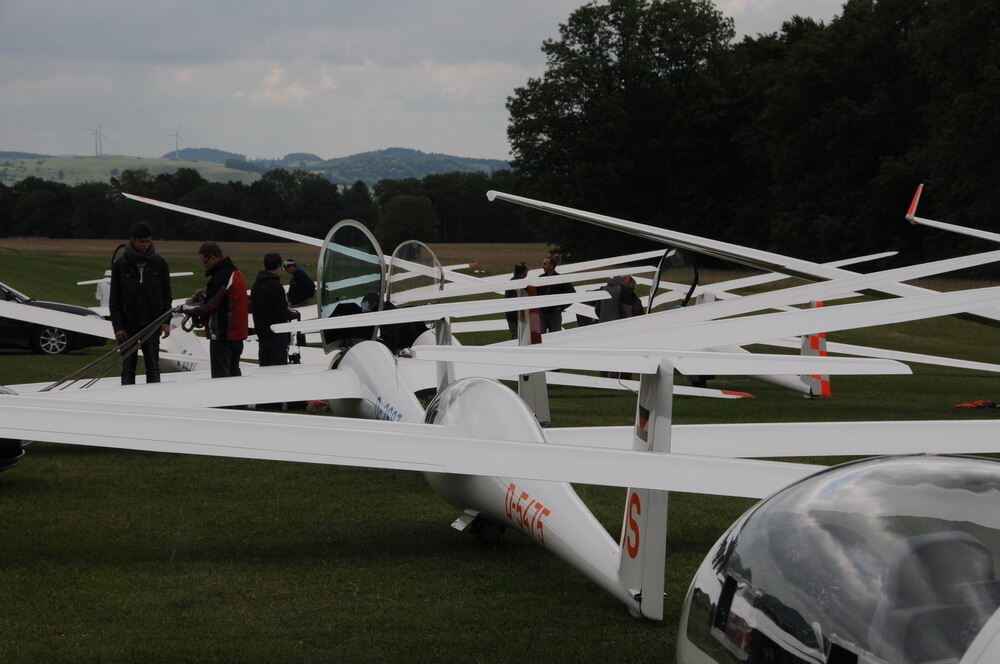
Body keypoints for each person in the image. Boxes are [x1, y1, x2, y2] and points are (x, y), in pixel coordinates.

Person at [109, 222, 172, 385]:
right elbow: (114, 298)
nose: (145, 245)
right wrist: (118, 327)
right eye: (141, 241)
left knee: (153, 367)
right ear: (133, 241)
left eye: (148, 241)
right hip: (128, 324)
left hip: (152, 323)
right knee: (128, 368)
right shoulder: (121, 264)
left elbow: (167, 295)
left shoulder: (160, 263)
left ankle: (153, 402)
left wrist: (166, 322)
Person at [180, 242, 248, 378]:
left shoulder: (220, 277)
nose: (205, 266)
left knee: (221, 378)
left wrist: (184, 308)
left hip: (223, 337)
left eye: (205, 262)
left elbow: (207, 307)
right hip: (237, 335)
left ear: (213, 258)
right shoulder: (235, 273)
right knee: (234, 374)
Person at [250, 252, 299, 366]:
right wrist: (295, 315)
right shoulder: (275, 286)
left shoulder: (256, 285)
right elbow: (282, 312)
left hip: (262, 334)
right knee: (278, 369)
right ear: (278, 265)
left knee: (265, 368)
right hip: (276, 335)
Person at [535, 256, 574, 333]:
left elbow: (572, 294)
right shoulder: (540, 278)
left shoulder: (561, 279)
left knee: (555, 336)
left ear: (552, 265)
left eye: (545, 264)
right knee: (540, 337)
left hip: (554, 314)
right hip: (542, 313)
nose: (542, 266)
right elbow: (535, 294)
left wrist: (561, 307)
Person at [505, 261, 529, 339]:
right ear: (524, 272)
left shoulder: (513, 281)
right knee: (518, 338)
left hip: (513, 316)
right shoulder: (519, 283)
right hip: (515, 317)